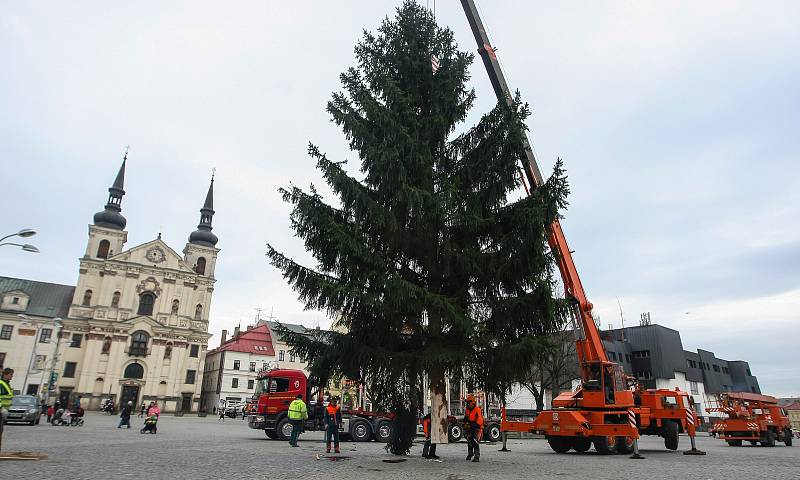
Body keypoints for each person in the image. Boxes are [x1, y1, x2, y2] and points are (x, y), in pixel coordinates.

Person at [463, 394, 483, 462]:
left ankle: (477, 456)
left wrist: (473, 426)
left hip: (477, 427)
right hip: (470, 426)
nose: (467, 404)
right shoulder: (467, 410)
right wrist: (464, 423)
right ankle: (470, 454)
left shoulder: (477, 410)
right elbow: (466, 418)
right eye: (467, 403)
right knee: (469, 440)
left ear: (473, 402)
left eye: (468, 402)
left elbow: (480, 421)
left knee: (475, 441)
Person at [0, 368, 14, 446]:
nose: (11, 376)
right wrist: (1, 408)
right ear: (5, 374)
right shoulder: (1, 384)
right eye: (10, 374)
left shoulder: (6, 383)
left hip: (3, 411)